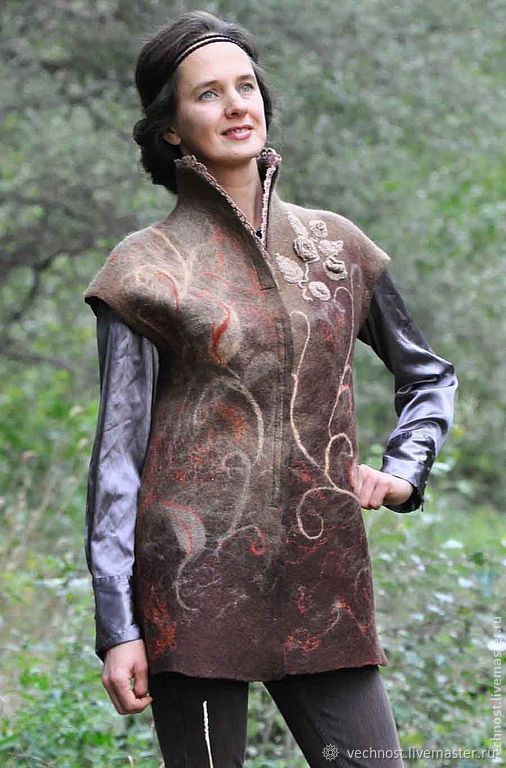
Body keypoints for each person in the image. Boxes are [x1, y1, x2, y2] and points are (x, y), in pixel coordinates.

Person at [83, 10, 457, 767]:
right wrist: (118, 625)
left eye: (245, 86)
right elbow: (117, 459)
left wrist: (403, 471)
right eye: (208, 94)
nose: (235, 106)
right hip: (190, 591)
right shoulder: (143, 269)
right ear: (171, 129)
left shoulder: (338, 247)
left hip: (326, 585)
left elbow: (427, 376)